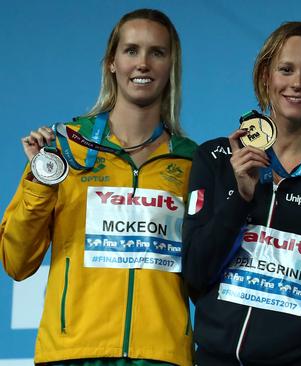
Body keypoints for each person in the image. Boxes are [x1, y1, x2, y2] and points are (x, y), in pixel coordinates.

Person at [0, 9, 196, 366]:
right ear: (111, 62)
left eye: (157, 52)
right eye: (131, 50)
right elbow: (16, 262)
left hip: (160, 354)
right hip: (74, 352)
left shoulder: (192, 162)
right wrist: (42, 181)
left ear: (171, 66)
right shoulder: (65, 148)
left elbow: (206, 269)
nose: (143, 63)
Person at [182, 22, 301, 366]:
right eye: (286, 70)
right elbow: (195, 273)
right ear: (265, 76)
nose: (298, 83)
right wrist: (238, 197)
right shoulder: (216, 158)